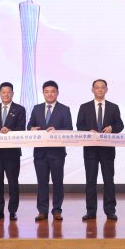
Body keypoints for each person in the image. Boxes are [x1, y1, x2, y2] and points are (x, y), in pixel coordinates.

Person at [76, 79, 124, 221]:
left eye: (102, 87)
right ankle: (91, 211)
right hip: (90, 150)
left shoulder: (113, 107)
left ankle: (110, 211)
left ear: (106, 90)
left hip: (107, 150)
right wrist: (88, 131)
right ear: (92, 90)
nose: (100, 90)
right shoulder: (84, 107)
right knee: (90, 181)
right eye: (97, 87)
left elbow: (120, 125)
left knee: (109, 180)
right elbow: (79, 125)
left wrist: (112, 128)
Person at [27, 80, 73, 222]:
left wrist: (57, 130)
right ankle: (42, 211)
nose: (50, 94)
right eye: (47, 92)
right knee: (42, 183)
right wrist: (31, 128)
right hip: (40, 153)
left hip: (57, 153)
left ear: (57, 93)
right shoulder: (36, 108)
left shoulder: (64, 109)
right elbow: (30, 125)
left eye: (52, 91)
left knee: (58, 183)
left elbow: (69, 128)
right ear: (43, 93)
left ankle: (57, 210)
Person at [0, 82, 26, 222]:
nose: (6, 94)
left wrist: (10, 130)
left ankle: (13, 211)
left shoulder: (19, 109)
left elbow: (22, 128)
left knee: (13, 183)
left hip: (12, 153)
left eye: (9, 92)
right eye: (3, 92)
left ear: (12, 94)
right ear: (0, 94)